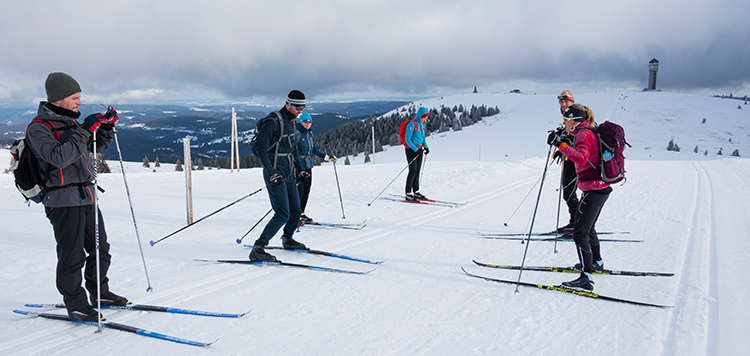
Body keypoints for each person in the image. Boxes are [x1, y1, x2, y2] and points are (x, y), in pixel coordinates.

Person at [25, 72, 128, 322]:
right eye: (74, 97)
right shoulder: (39, 128)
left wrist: (105, 128)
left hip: (86, 195)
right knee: (72, 256)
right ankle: (76, 304)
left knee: (100, 249)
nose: (79, 102)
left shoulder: (71, 124)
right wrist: (84, 130)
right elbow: (59, 158)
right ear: (58, 99)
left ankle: (100, 294)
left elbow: (93, 148)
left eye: (79, 97)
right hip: (61, 199)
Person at [547, 103, 612, 291]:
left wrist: (560, 144)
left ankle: (586, 277)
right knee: (588, 228)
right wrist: (563, 143)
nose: (564, 123)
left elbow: (582, 157)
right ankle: (596, 263)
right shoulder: (586, 131)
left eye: (566, 120)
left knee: (580, 231)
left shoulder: (583, 133)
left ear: (575, 120)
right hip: (599, 188)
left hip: (594, 189)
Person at [249, 90, 309, 262]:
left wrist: (300, 169)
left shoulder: (292, 121)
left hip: (289, 171)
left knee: (296, 211)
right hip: (274, 170)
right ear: (288, 104)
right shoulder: (273, 121)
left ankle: (288, 239)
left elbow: (293, 148)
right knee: (282, 213)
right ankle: (258, 248)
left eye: (303, 107)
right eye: (298, 107)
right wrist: (272, 172)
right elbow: (261, 149)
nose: (300, 110)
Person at [296, 112, 336, 224]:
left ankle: (301, 213)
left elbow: (314, 150)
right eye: (305, 122)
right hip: (298, 166)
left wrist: (327, 157)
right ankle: (295, 215)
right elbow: (292, 151)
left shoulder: (310, 134)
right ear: (301, 122)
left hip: (308, 164)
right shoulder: (297, 133)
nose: (308, 124)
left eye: (309, 122)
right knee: (299, 191)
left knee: (307, 190)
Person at [555, 90, 580, 232]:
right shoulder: (568, 115)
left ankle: (577, 223)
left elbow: (583, 134)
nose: (564, 104)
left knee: (570, 191)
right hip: (571, 157)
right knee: (568, 190)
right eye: (562, 102)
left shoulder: (578, 114)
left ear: (572, 102)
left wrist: (565, 142)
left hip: (579, 158)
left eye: (567, 102)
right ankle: (576, 221)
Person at [403, 107, 430, 201]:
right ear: (419, 116)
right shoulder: (412, 124)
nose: (425, 119)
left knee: (418, 171)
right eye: (423, 117)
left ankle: (416, 191)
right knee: (412, 171)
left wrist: (426, 147)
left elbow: (423, 137)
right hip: (411, 150)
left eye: (426, 117)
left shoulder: (421, 124)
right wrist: (415, 149)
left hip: (420, 150)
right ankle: (408, 193)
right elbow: (407, 139)